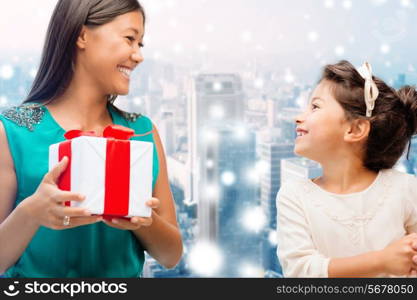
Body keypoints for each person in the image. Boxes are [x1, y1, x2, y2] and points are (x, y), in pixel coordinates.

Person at [0, 0, 182, 277]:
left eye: (140, 44)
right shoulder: (13, 131)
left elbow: (171, 255)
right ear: (82, 36)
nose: (138, 55)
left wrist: (142, 221)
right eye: (130, 39)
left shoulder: (143, 133)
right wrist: (31, 212)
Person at [276, 60, 417, 277]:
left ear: (355, 129)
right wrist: (382, 261)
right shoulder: (294, 196)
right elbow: (300, 271)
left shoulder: (406, 189)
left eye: (315, 107)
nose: (298, 117)